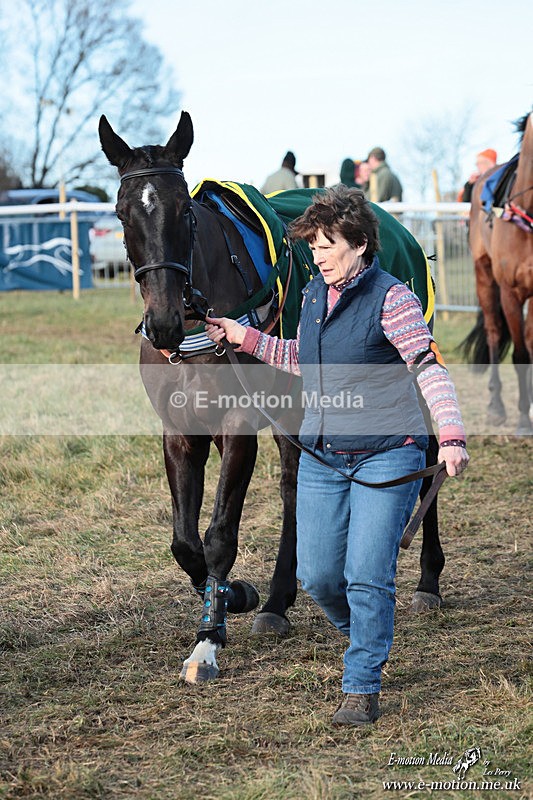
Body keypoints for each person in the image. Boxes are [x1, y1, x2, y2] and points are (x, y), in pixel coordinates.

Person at [206, 186, 469, 727]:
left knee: (367, 575)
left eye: (327, 245)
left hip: (387, 455)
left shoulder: (392, 298)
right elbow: (304, 359)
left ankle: (361, 684)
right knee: (320, 577)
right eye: (314, 245)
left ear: (360, 244)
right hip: (324, 457)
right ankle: (368, 634)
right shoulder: (311, 299)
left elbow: (427, 366)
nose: (318, 255)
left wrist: (450, 433)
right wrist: (245, 337)